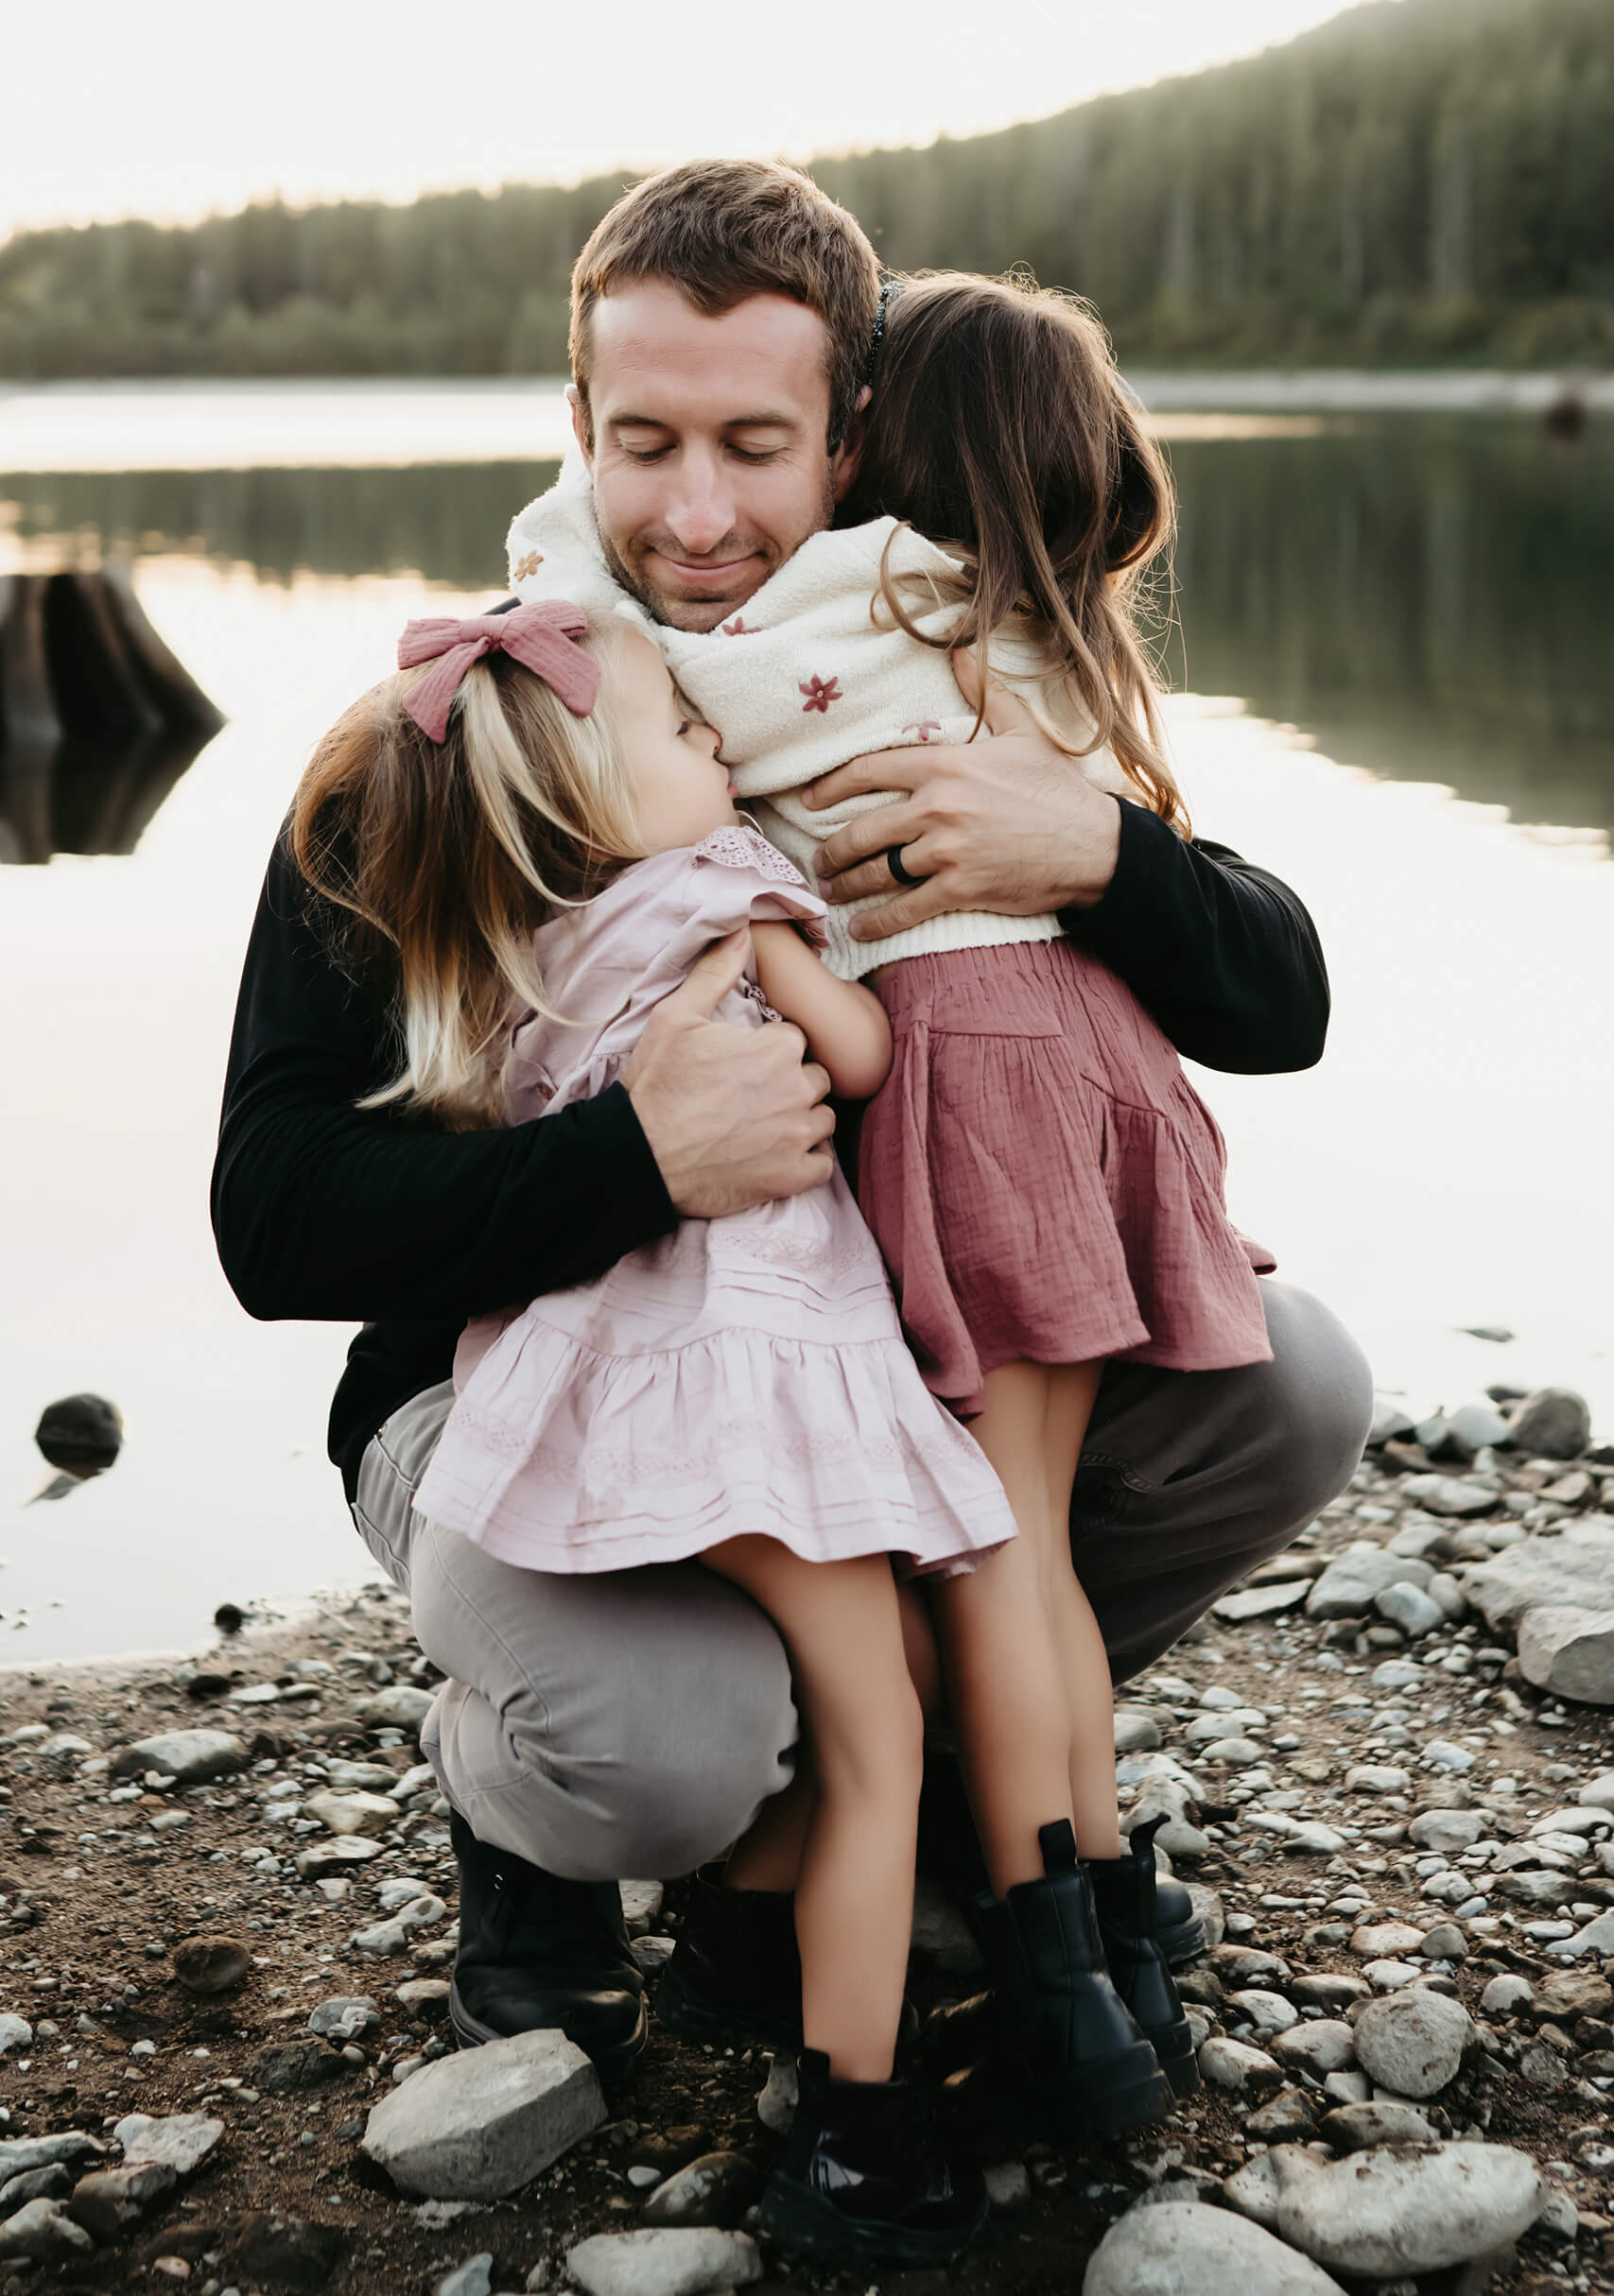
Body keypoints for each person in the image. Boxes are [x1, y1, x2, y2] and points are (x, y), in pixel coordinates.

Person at [211, 158, 1373, 2103]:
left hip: (863, 1359)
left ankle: (921, 1789)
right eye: (640, 440)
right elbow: (272, 1217)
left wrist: (1098, 855)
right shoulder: (475, 723)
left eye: (753, 445)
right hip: (525, 1376)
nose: (692, 513)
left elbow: (1282, 996)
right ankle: (528, 1825)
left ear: (846, 436)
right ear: (575, 421)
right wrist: (631, 1157)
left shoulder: (901, 667)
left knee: (1290, 1386)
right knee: (661, 1743)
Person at [289, 599, 1171, 2261]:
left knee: (876, 1706)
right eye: (685, 738)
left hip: (622, 1397)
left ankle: (807, 2007)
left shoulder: (513, 940)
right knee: (879, 1736)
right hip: (769, 1376)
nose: (718, 745)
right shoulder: (727, 897)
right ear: (592, 795)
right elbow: (859, 1055)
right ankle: (856, 2123)